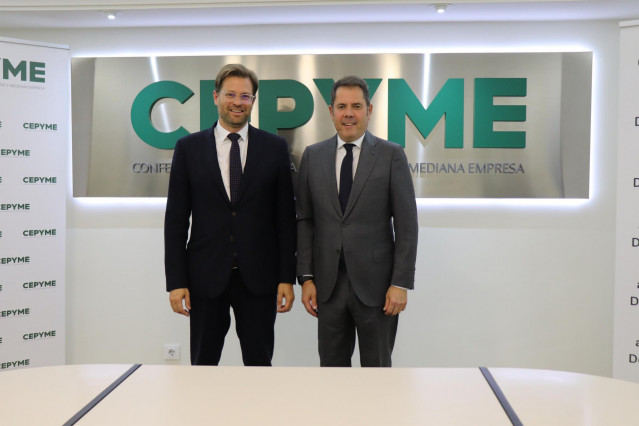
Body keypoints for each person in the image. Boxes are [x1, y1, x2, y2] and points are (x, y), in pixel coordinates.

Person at [164, 64, 296, 366]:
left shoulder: (274, 148)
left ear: (253, 101)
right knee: (203, 364)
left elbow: (285, 220)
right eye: (231, 94)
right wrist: (176, 281)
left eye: (245, 96)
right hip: (205, 277)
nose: (238, 102)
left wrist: (286, 277)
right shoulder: (188, 148)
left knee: (259, 364)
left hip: (260, 278)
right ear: (216, 97)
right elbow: (176, 222)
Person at [296, 75, 418, 367]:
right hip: (328, 287)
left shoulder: (391, 155)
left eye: (356, 106)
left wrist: (400, 283)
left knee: (377, 370)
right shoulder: (313, 156)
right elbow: (305, 220)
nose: (348, 113)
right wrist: (306, 277)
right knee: (332, 370)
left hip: (378, 289)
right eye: (341, 106)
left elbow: (406, 226)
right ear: (331, 111)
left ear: (369, 110)